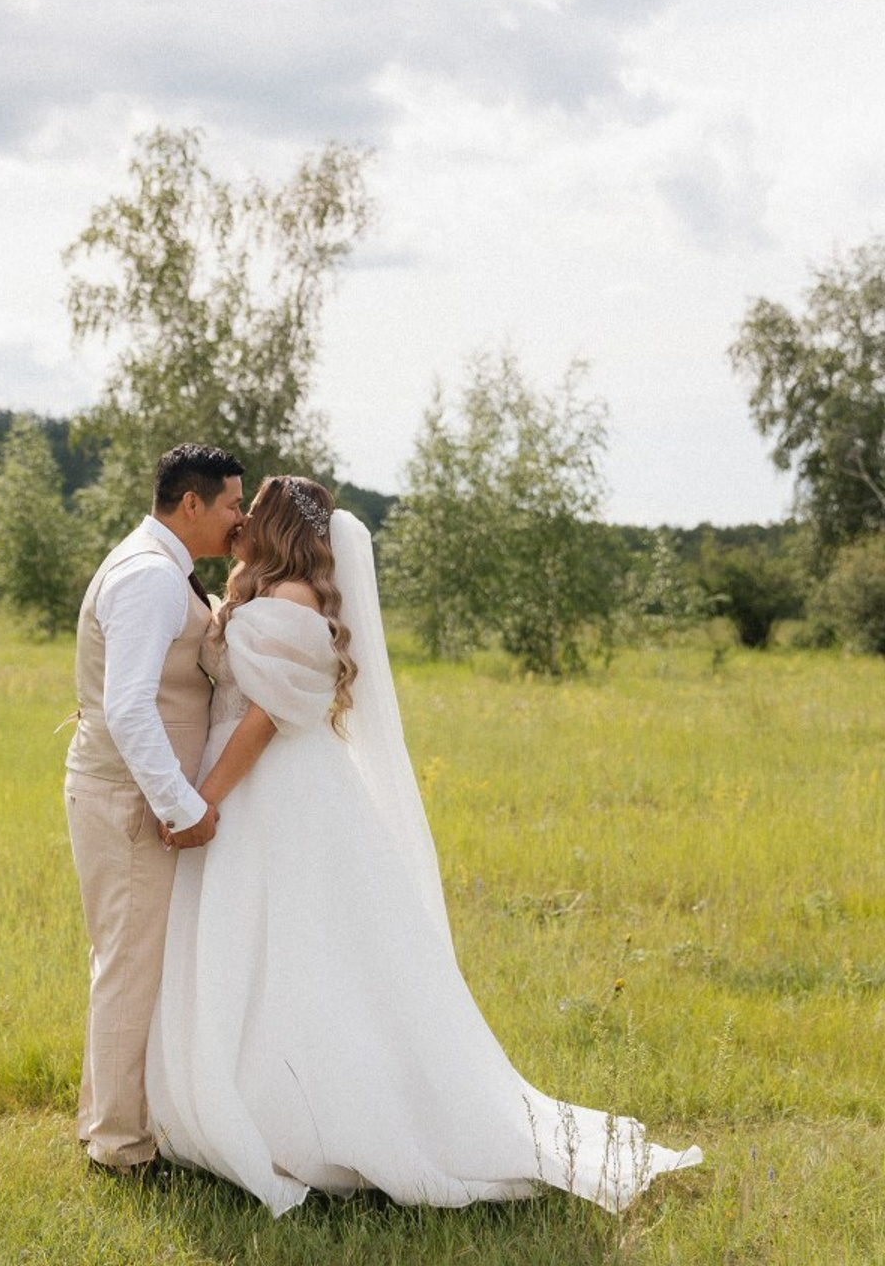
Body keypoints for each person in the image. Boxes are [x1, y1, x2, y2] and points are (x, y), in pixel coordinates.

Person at [147, 476, 702, 1214]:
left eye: (252, 511)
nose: (239, 520)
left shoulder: (292, 605)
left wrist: (201, 799)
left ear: (275, 522)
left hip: (271, 793)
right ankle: (245, 1099)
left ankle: (303, 1118)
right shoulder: (271, 595)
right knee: (253, 950)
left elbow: (263, 722)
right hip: (263, 790)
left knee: (294, 952)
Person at [64, 443, 245, 1172]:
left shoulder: (165, 570)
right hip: (131, 800)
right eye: (233, 502)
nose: (240, 516)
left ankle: (108, 1123)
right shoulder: (151, 579)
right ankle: (121, 1147)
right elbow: (130, 707)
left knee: (125, 962)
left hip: (127, 795)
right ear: (192, 504)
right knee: (130, 966)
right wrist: (181, 806)